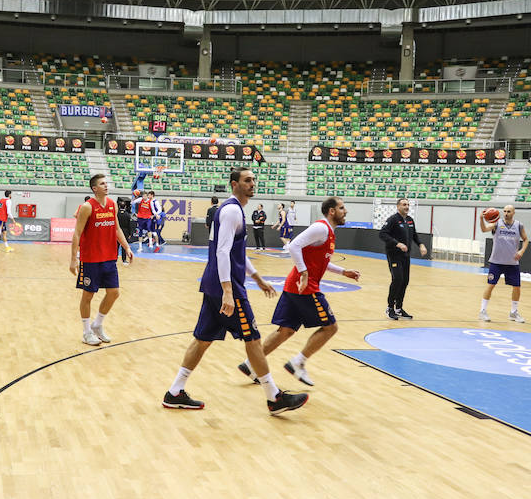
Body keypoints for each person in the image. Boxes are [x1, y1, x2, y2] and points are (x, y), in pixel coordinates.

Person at [161, 168, 308, 415]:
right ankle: (274, 397)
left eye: (253, 180)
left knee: (202, 339)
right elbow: (221, 251)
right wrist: (228, 291)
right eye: (247, 180)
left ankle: (175, 392)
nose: (252, 183)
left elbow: (233, 253)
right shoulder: (230, 211)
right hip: (226, 286)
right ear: (234, 184)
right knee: (253, 339)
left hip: (213, 283)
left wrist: (257, 278)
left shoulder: (233, 211)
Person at [238, 196, 361, 387]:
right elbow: (293, 245)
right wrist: (304, 273)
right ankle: (298, 362)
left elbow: (322, 261)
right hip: (305, 287)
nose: (346, 211)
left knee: (285, 331)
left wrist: (343, 272)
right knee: (331, 327)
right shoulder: (321, 228)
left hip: (293, 286)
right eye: (342, 208)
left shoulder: (328, 232)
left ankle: (251, 365)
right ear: (331, 211)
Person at [70, 174, 134, 346]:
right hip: (90, 259)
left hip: (109, 258)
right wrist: (73, 259)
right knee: (88, 295)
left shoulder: (112, 205)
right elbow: (77, 233)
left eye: (106, 183)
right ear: (94, 188)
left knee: (114, 293)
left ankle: (97, 325)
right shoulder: (87, 207)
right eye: (102, 184)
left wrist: (127, 247)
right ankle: (86, 332)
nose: (106, 186)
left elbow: (117, 229)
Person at [379, 198, 427, 320]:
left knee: (405, 281)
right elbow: (383, 234)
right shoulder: (393, 220)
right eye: (404, 204)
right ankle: (390, 307)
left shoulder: (410, 220)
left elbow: (414, 235)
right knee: (397, 279)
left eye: (407, 204)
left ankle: (399, 308)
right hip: (394, 254)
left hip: (406, 256)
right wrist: (397, 243)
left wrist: (421, 244)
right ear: (398, 206)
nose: (406, 206)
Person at [478, 205, 528, 323]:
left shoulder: (519, 225)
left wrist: (521, 251)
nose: (506, 213)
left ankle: (513, 313)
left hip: (512, 263)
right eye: (504, 211)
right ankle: (482, 311)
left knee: (517, 287)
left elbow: (526, 239)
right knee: (490, 285)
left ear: (513, 213)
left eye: (508, 211)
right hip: (496, 262)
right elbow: (484, 229)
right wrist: (481, 219)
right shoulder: (496, 223)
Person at [117, 198, 134, 265]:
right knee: (124, 246)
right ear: (126, 207)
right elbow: (130, 225)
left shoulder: (117, 214)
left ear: (119, 206)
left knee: (116, 246)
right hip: (125, 232)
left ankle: (115, 259)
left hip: (118, 232)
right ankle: (124, 260)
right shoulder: (127, 215)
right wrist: (130, 233)